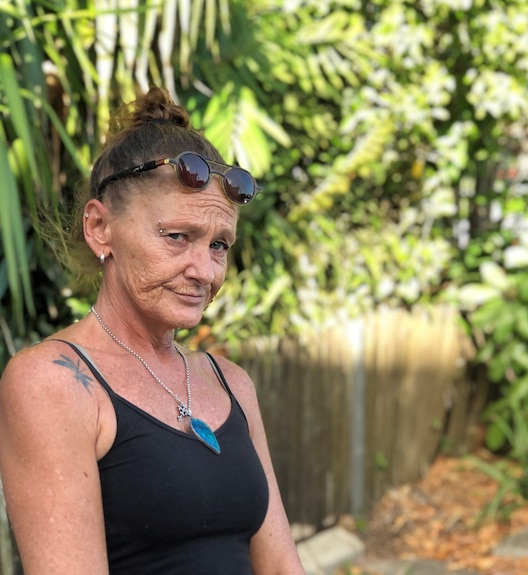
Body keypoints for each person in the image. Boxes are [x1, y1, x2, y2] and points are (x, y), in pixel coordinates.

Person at [0, 87, 306, 574]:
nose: (203, 271)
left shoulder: (230, 383)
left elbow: (281, 566)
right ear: (100, 228)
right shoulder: (53, 381)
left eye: (219, 246)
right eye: (177, 237)